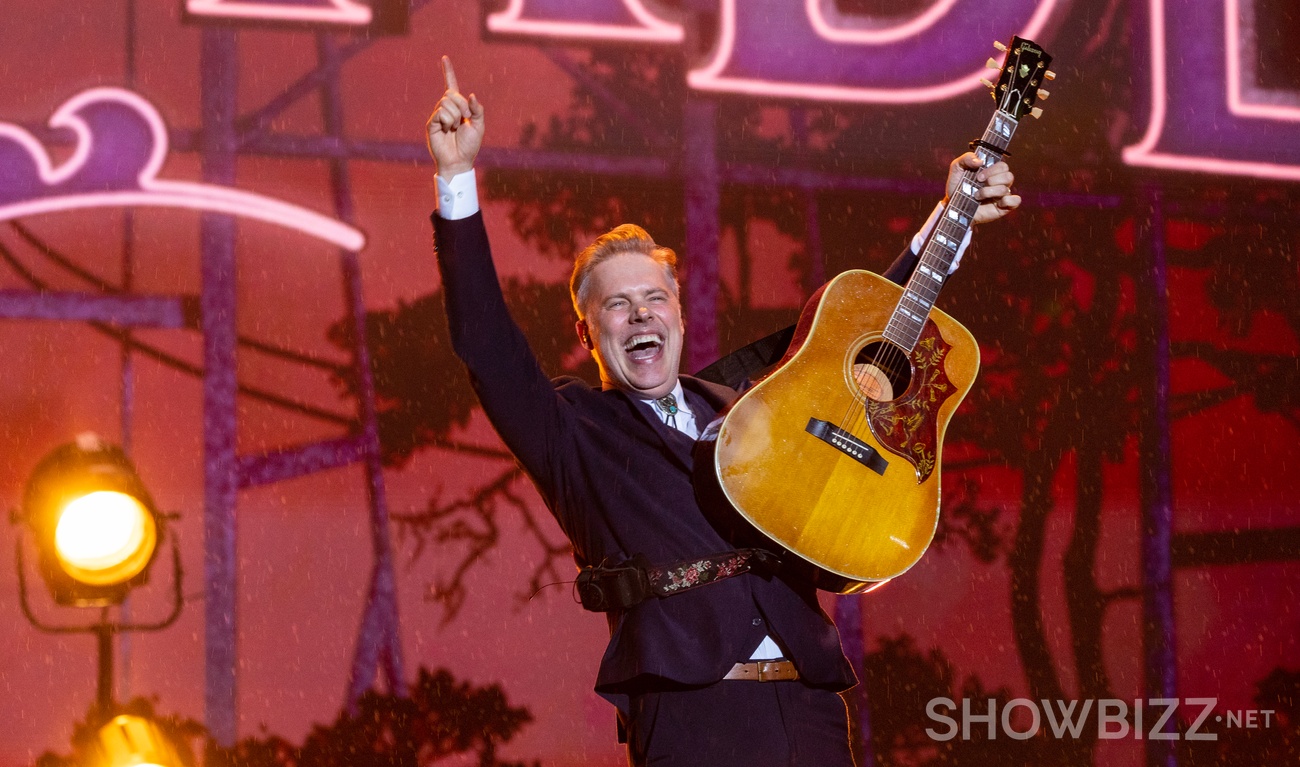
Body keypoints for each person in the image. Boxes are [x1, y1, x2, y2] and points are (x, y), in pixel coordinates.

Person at [425, 56, 1019, 767]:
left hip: (808, 709)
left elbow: (841, 331)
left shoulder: (746, 404)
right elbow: (487, 343)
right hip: (690, 718)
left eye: (654, 298)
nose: (639, 313)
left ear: (678, 314)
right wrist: (456, 179)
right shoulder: (574, 434)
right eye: (616, 304)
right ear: (589, 334)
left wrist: (945, 221)